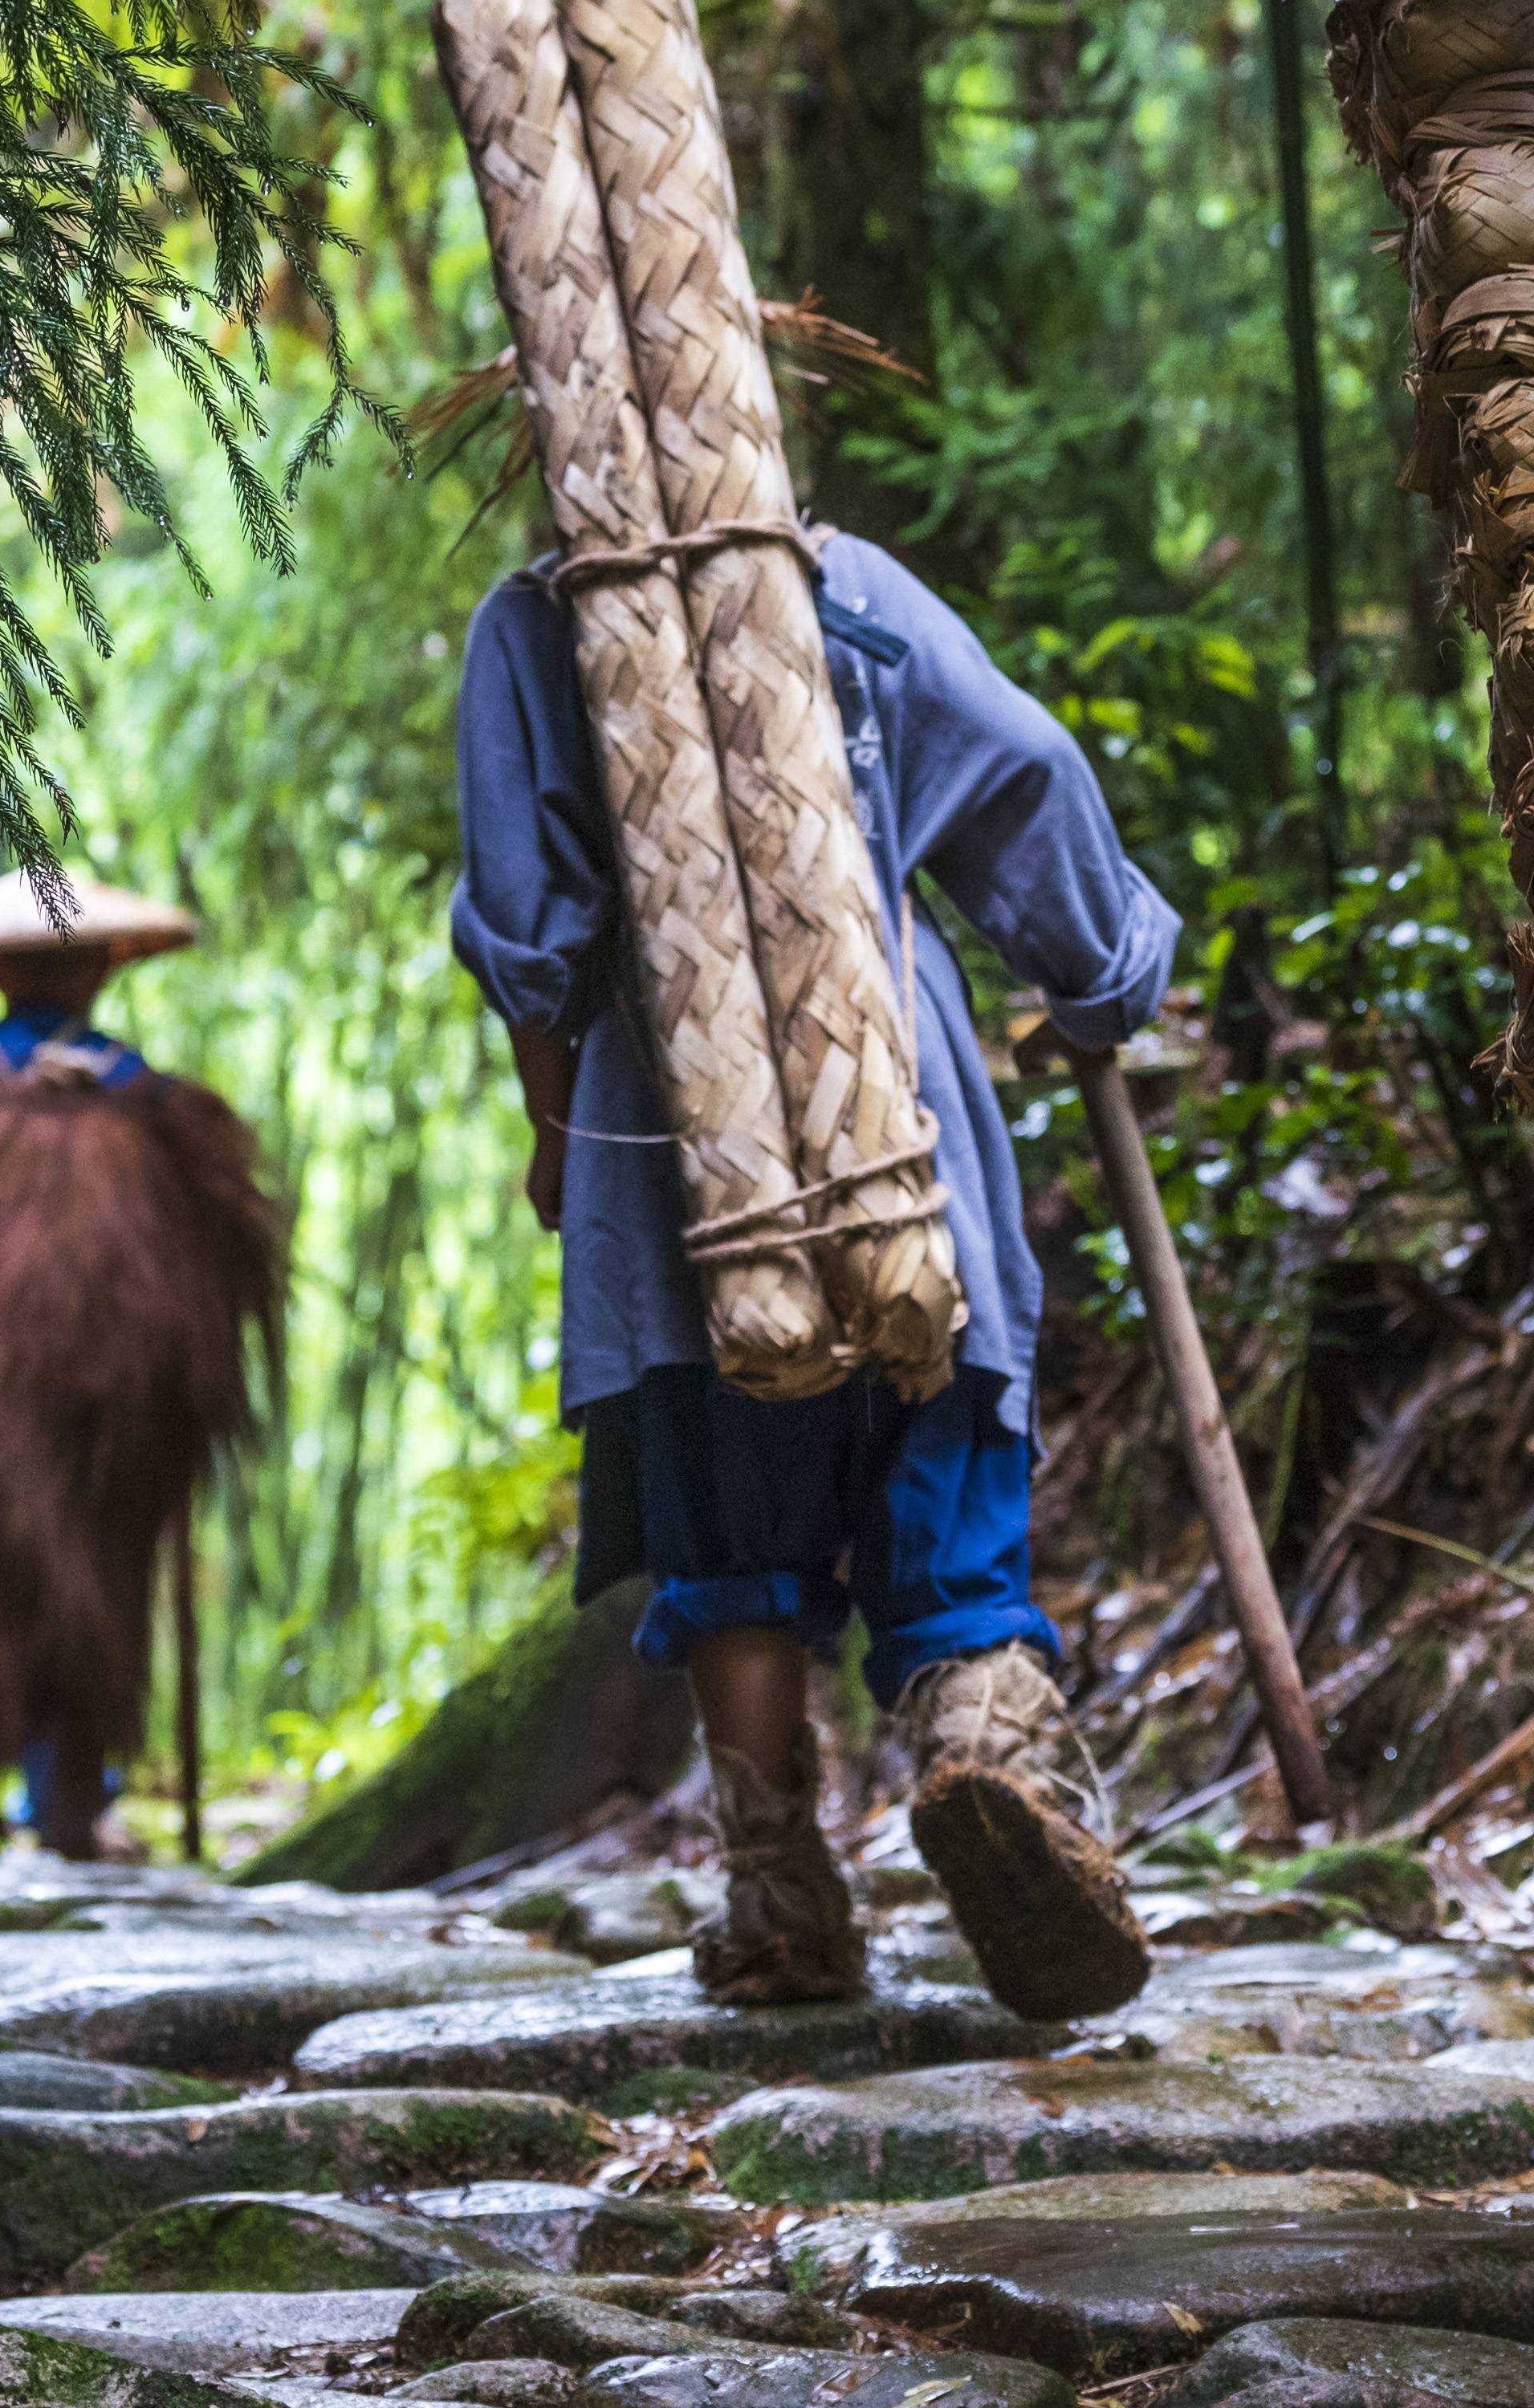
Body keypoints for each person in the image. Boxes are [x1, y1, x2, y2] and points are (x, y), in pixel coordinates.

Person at [454, 531, 1178, 2023]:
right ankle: (992, 1758)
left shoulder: (531, 623)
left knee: (731, 1537)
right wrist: (1098, 970)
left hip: (664, 1129)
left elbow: (527, 930)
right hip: (890, 1097)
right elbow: (1024, 764)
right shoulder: (850, 581)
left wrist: (551, 1134)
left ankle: (783, 1897)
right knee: (946, 1461)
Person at [0, 872, 284, 1864]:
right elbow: (231, 1257)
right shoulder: (163, 1110)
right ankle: (62, 1798)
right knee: (93, 1579)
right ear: (101, 971)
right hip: (110, 1408)